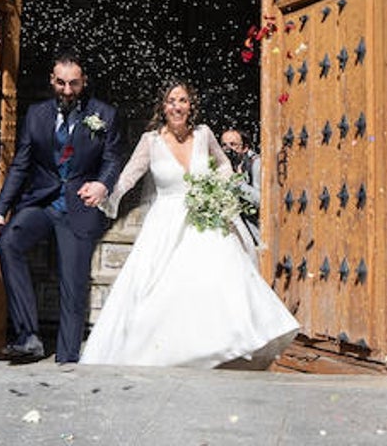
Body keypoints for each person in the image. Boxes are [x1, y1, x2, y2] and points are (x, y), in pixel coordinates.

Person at [79, 81, 298, 367]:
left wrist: (216, 189)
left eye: (182, 100)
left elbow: (223, 166)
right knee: (161, 288)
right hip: (165, 224)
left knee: (216, 279)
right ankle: (165, 352)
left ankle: (221, 346)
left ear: (190, 106)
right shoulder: (151, 141)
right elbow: (128, 177)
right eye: (171, 101)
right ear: (163, 106)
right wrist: (103, 190)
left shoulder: (204, 134)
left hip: (202, 218)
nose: (177, 106)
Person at [0, 51, 125, 364]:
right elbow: (21, 165)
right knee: (9, 241)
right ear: (52, 80)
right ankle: (28, 337)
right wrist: (0, 210)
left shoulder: (103, 114)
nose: (67, 90)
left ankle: (67, 357)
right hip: (43, 201)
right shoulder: (36, 115)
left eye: (73, 84)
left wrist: (103, 184)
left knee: (72, 281)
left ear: (84, 82)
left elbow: (112, 158)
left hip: (79, 204)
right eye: (61, 83)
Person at [220, 127, 260, 240]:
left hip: (254, 231)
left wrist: (237, 183)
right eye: (224, 145)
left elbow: (262, 200)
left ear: (245, 147)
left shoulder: (256, 164)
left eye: (233, 144)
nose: (227, 150)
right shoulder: (222, 167)